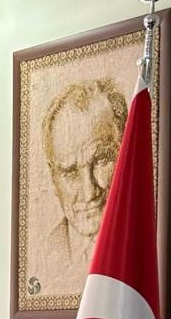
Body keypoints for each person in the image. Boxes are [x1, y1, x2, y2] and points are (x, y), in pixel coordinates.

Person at [39, 76, 129, 275]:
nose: (89, 192)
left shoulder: (145, 240)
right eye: (70, 172)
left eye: (101, 160)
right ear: (53, 180)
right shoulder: (46, 253)